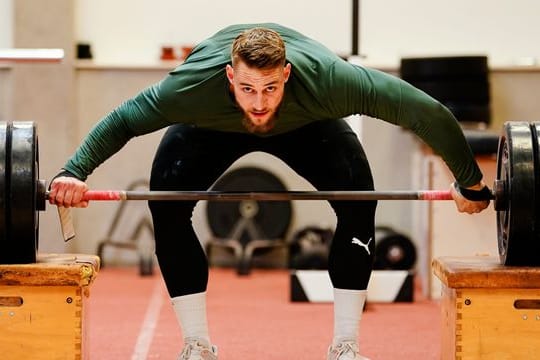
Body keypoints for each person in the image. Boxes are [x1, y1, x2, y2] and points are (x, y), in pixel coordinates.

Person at [48, 23, 490, 360]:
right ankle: (197, 344)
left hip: (305, 125)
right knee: (168, 205)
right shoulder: (191, 88)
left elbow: (426, 111)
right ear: (228, 76)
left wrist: (469, 180)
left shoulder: (332, 81)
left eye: (270, 88)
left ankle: (345, 345)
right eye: (247, 88)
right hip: (211, 126)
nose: (259, 102)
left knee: (359, 201)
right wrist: (73, 171)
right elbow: (124, 120)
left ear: (288, 74)